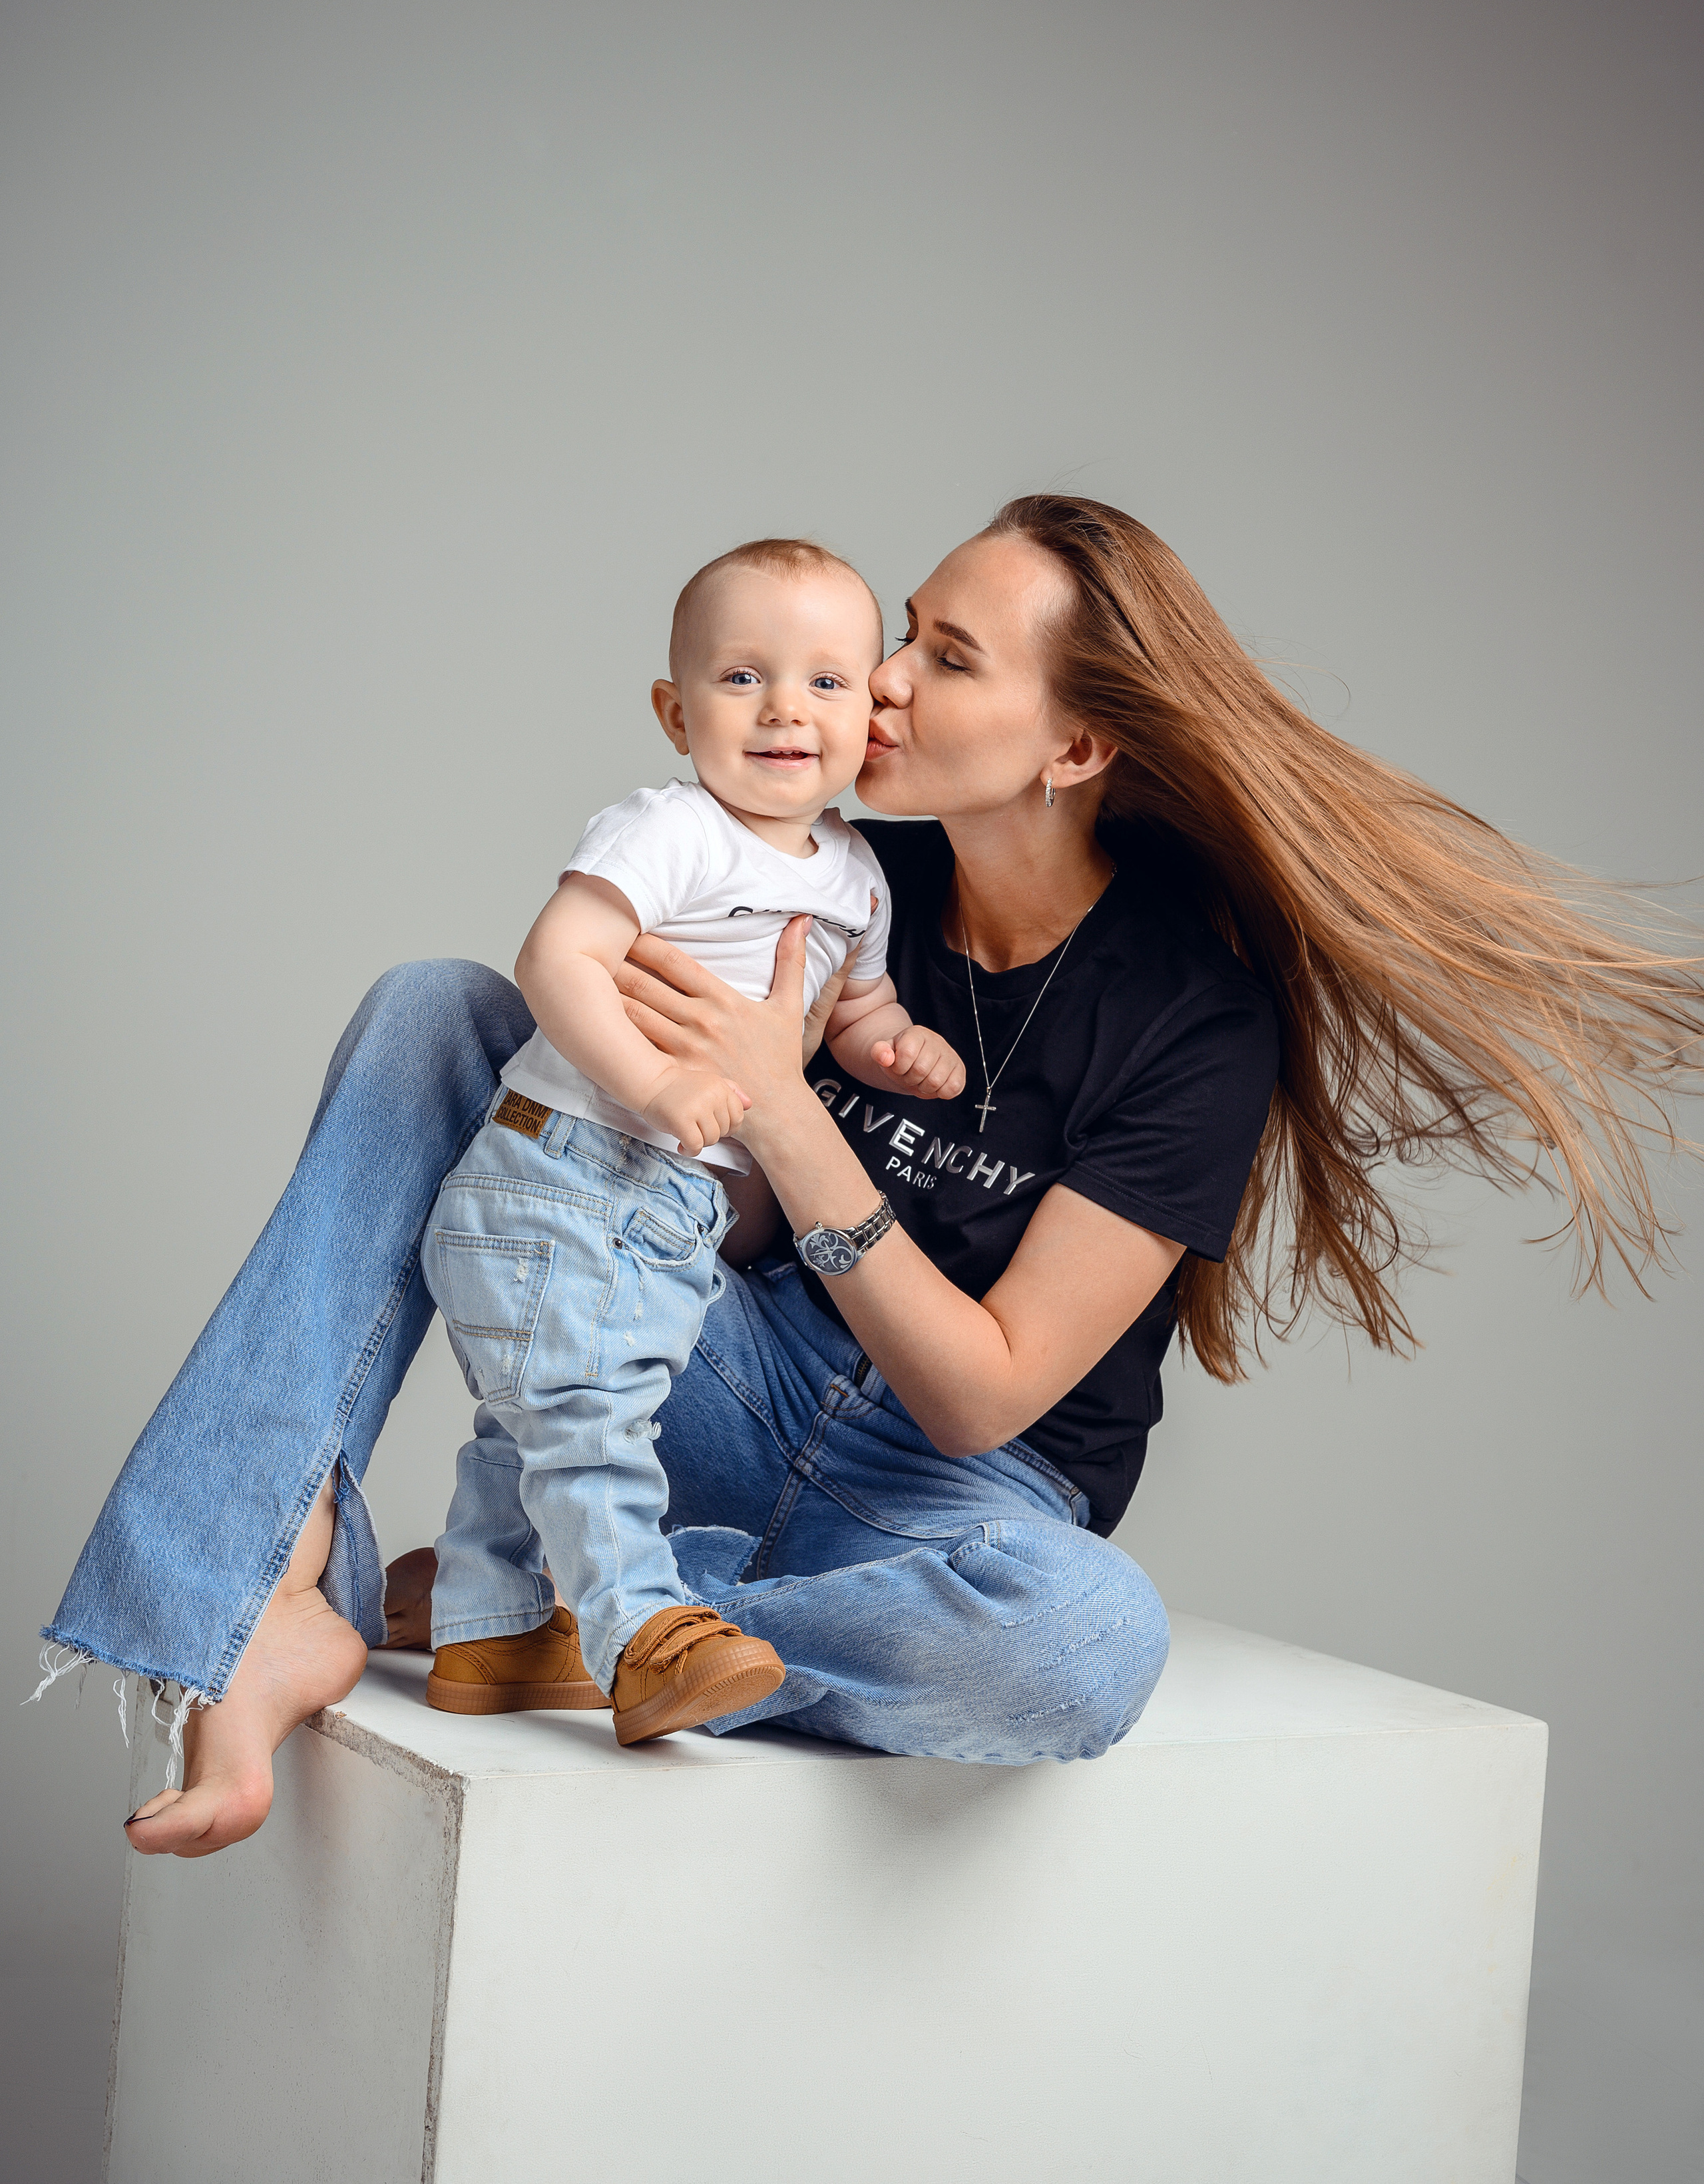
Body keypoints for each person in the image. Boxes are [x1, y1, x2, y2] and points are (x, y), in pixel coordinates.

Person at [39, 497, 1699, 1862]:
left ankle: (604, 1601)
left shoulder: (1193, 1019)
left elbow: (983, 1397)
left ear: (1070, 749)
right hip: (713, 1374)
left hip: (945, 1504)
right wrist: (689, 1113)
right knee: (439, 1014)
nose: (876, 680)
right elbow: (695, 1185)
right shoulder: (837, 864)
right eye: (900, 628)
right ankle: (268, 1585)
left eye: (944, 657)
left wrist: (783, 1104)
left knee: (1080, 1644)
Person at [418, 536, 962, 1745]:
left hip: (667, 1216)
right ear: (675, 711)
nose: (784, 709)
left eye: (826, 681)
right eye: (740, 678)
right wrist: (655, 1082)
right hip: (570, 1170)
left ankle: (488, 1631)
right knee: (593, 1422)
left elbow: (850, 1015)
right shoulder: (671, 829)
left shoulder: (858, 875)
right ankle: (641, 1635)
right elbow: (556, 959)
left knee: (540, 1421)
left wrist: (899, 1050)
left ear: (867, 709)